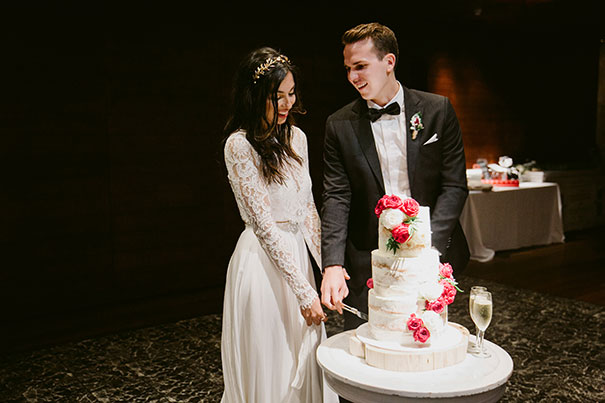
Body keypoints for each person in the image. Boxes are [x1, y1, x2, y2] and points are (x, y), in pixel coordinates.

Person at [320, 23, 470, 333]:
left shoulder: (437, 110)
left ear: (389, 62)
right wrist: (333, 263)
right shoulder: (339, 124)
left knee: (427, 340)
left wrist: (430, 248)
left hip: (431, 255)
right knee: (368, 346)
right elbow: (336, 196)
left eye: (360, 66)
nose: (352, 77)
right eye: (348, 68)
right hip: (368, 259)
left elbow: (454, 186)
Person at [220, 47, 338, 403]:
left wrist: (328, 269)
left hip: (298, 257)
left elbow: (308, 209)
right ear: (256, 96)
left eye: (292, 93)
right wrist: (303, 292)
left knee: (305, 356)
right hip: (262, 263)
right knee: (273, 360)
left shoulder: (297, 137)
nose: (288, 104)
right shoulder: (239, 145)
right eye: (278, 96)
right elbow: (264, 226)